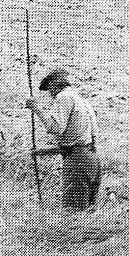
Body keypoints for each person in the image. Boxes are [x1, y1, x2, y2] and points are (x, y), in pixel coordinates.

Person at [26, 68, 101, 211]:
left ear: (55, 85)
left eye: (49, 90)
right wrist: (41, 152)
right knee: (88, 213)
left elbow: (56, 128)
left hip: (77, 163)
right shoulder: (83, 102)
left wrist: (36, 109)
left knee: (72, 213)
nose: (51, 95)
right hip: (93, 161)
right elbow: (79, 143)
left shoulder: (64, 97)